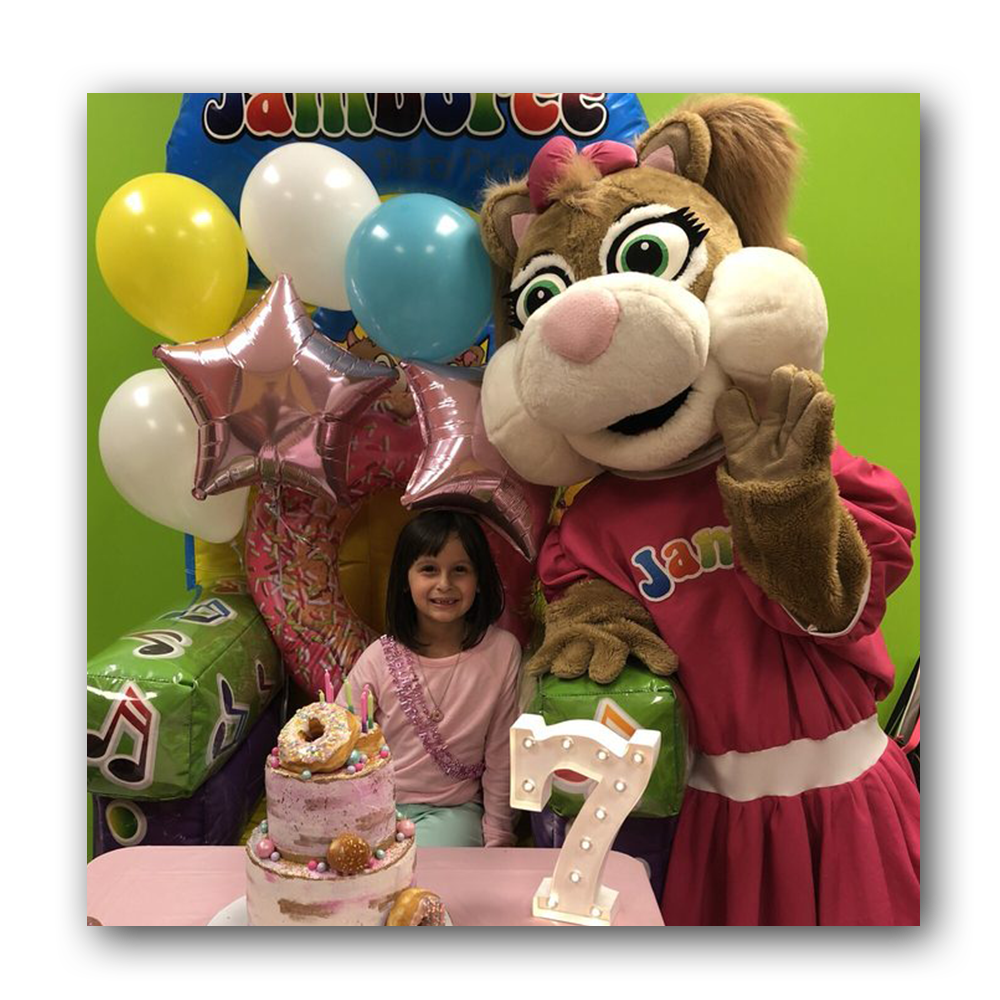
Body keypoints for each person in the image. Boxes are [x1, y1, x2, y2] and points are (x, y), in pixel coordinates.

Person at [336, 510, 522, 847]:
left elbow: (502, 754)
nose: (444, 584)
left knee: (431, 885)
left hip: (451, 811)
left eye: (460, 570)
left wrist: (497, 835)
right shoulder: (379, 657)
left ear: (479, 579)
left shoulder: (502, 652)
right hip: (371, 808)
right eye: (429, 569)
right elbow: (338, 738)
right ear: (406, 580)